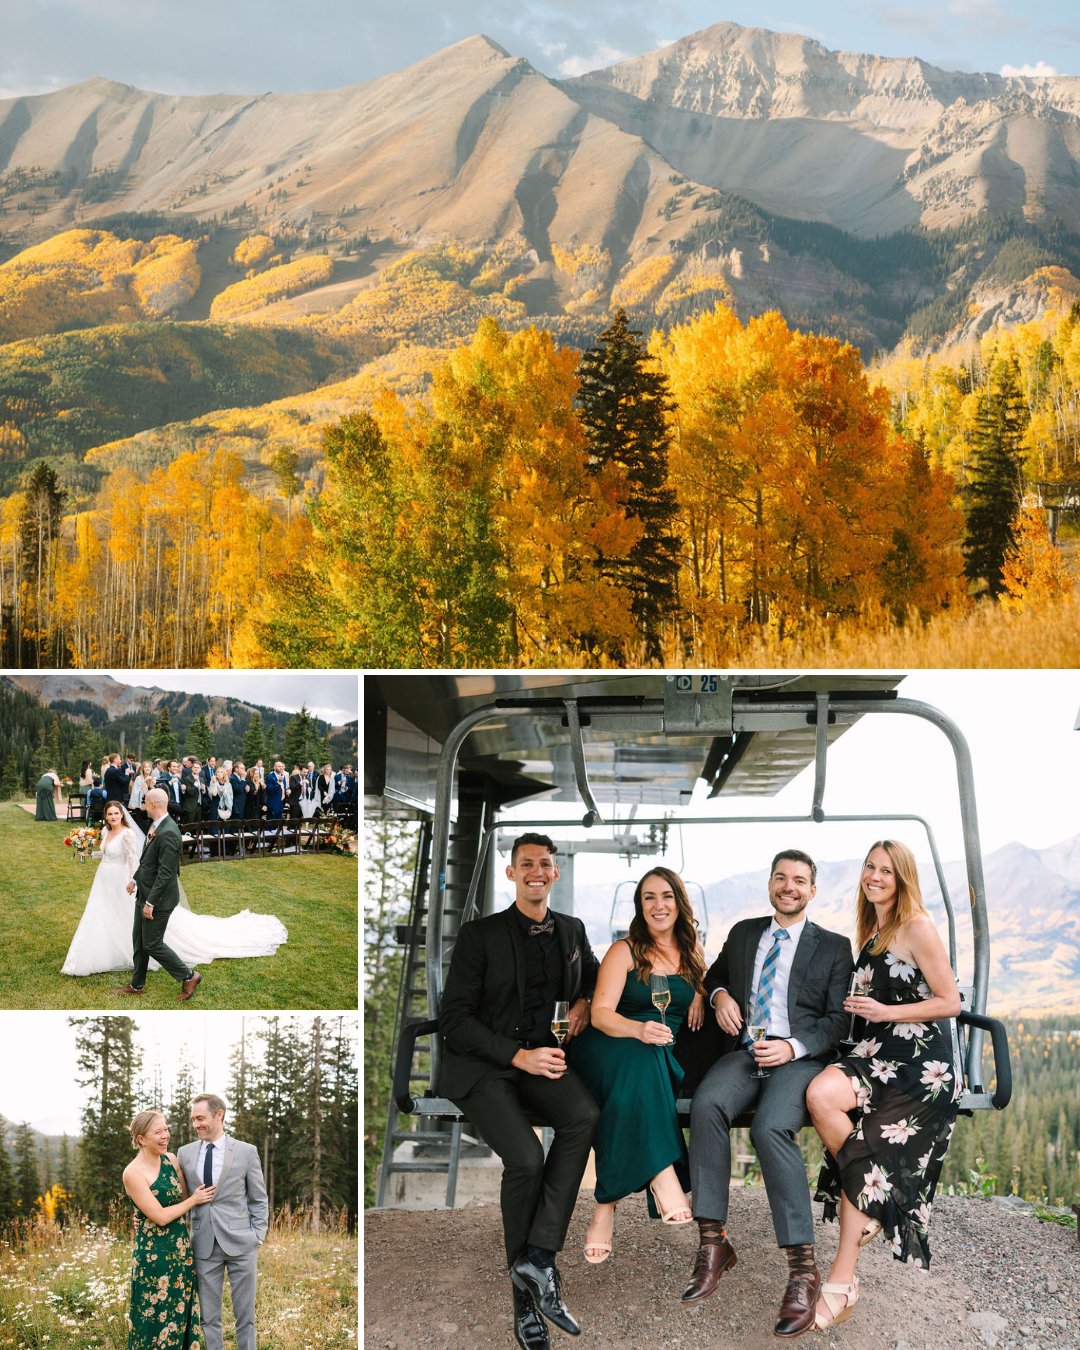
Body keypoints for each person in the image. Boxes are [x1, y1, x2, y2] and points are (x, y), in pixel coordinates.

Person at [440, 832, 600, 1349]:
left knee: (582, 1115)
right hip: (485, 1066)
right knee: (528, 1159)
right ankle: (525, 1306)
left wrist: (581, 1006)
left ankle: (538, 1258)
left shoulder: (573, 930)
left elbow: (596, 980)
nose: (537, 871)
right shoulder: (478, 935)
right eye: (526, 864)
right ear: (511, 874)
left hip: (543, 1062)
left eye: (545, 864)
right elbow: (454, 1021)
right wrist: (516, 1056)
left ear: (555, 874)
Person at [683, 849, 852, 1338]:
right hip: (747, 1050)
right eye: (781, 878)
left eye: (799, 880)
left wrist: (794, 1047)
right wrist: (719, 997)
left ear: (812, 890)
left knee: (769, 1126)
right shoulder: (743, 933)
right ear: (771, 884)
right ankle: (713, 1242)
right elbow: (715, 975)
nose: (789, 886)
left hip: (800, 1059)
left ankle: (803, 1269)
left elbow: (838, 1020)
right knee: (707, 1104)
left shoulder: (834, 946)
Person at [806, 840, 962, 1329]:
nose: (874, 877)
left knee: (860, 1133)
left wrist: (887, 1012)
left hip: (920, 1066)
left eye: (886, 872)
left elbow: (951, 1001)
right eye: (869, 868)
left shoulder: (916, 925)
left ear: (903, 879)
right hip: (875, 1053)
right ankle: (875, 1202)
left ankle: (843, 1277)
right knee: (820, 1095)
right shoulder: (873, 928)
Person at [570, 867, 706, 1263]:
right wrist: (639, 1029)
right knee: (640, 1059)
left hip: (661, 1055)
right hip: (609, 1044)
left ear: (679, 903)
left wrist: (703, 995)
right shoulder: (624, 951)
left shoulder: (694, 956)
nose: (658, 905)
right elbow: (600, 1015)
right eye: (649, 897)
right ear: (640, 906)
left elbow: (707, 987)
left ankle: (605, 1207)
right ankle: (663, 1176)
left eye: (666, 896)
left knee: (641, 1073)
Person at [62, 799, 287, 978]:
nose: (113, 817)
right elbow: (105, 852)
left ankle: (146, 962)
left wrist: (133, 880)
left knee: (127, 918)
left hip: (123, 880)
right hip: (103, 879)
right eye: (109, 814)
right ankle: (104, 950)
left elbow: (134, 861)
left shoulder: (128, 834)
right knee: (102, 914)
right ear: (105, 816)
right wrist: (87, 853)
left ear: (122, 815)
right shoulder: (103, 832)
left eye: (116, 813)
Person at [177, 1093, 268, 1350]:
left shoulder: (246, 1152)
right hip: (203, 1245)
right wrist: (143, 1216)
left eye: (201, 1118)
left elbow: (259, 1198)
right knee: (209, 1317)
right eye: (193, 1119)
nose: (196, 1124)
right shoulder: (184, 1153)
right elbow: (178, 1197)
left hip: (242, 1244)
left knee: (245, 1316)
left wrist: (257, 1234)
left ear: (219, 1114)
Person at [123, 1107, 214, 1350]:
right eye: (157, 1132)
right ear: (141, 1139)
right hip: (153, 1257)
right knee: (153, 1316)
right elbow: (162, 1216)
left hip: (180, 1250)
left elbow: (181, 1198)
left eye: (166, 1129)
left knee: (179, 1312)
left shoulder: (171, 1160)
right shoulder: (132, 1172)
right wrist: (194, 1200)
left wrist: (190, 1200)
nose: (165, 1136)